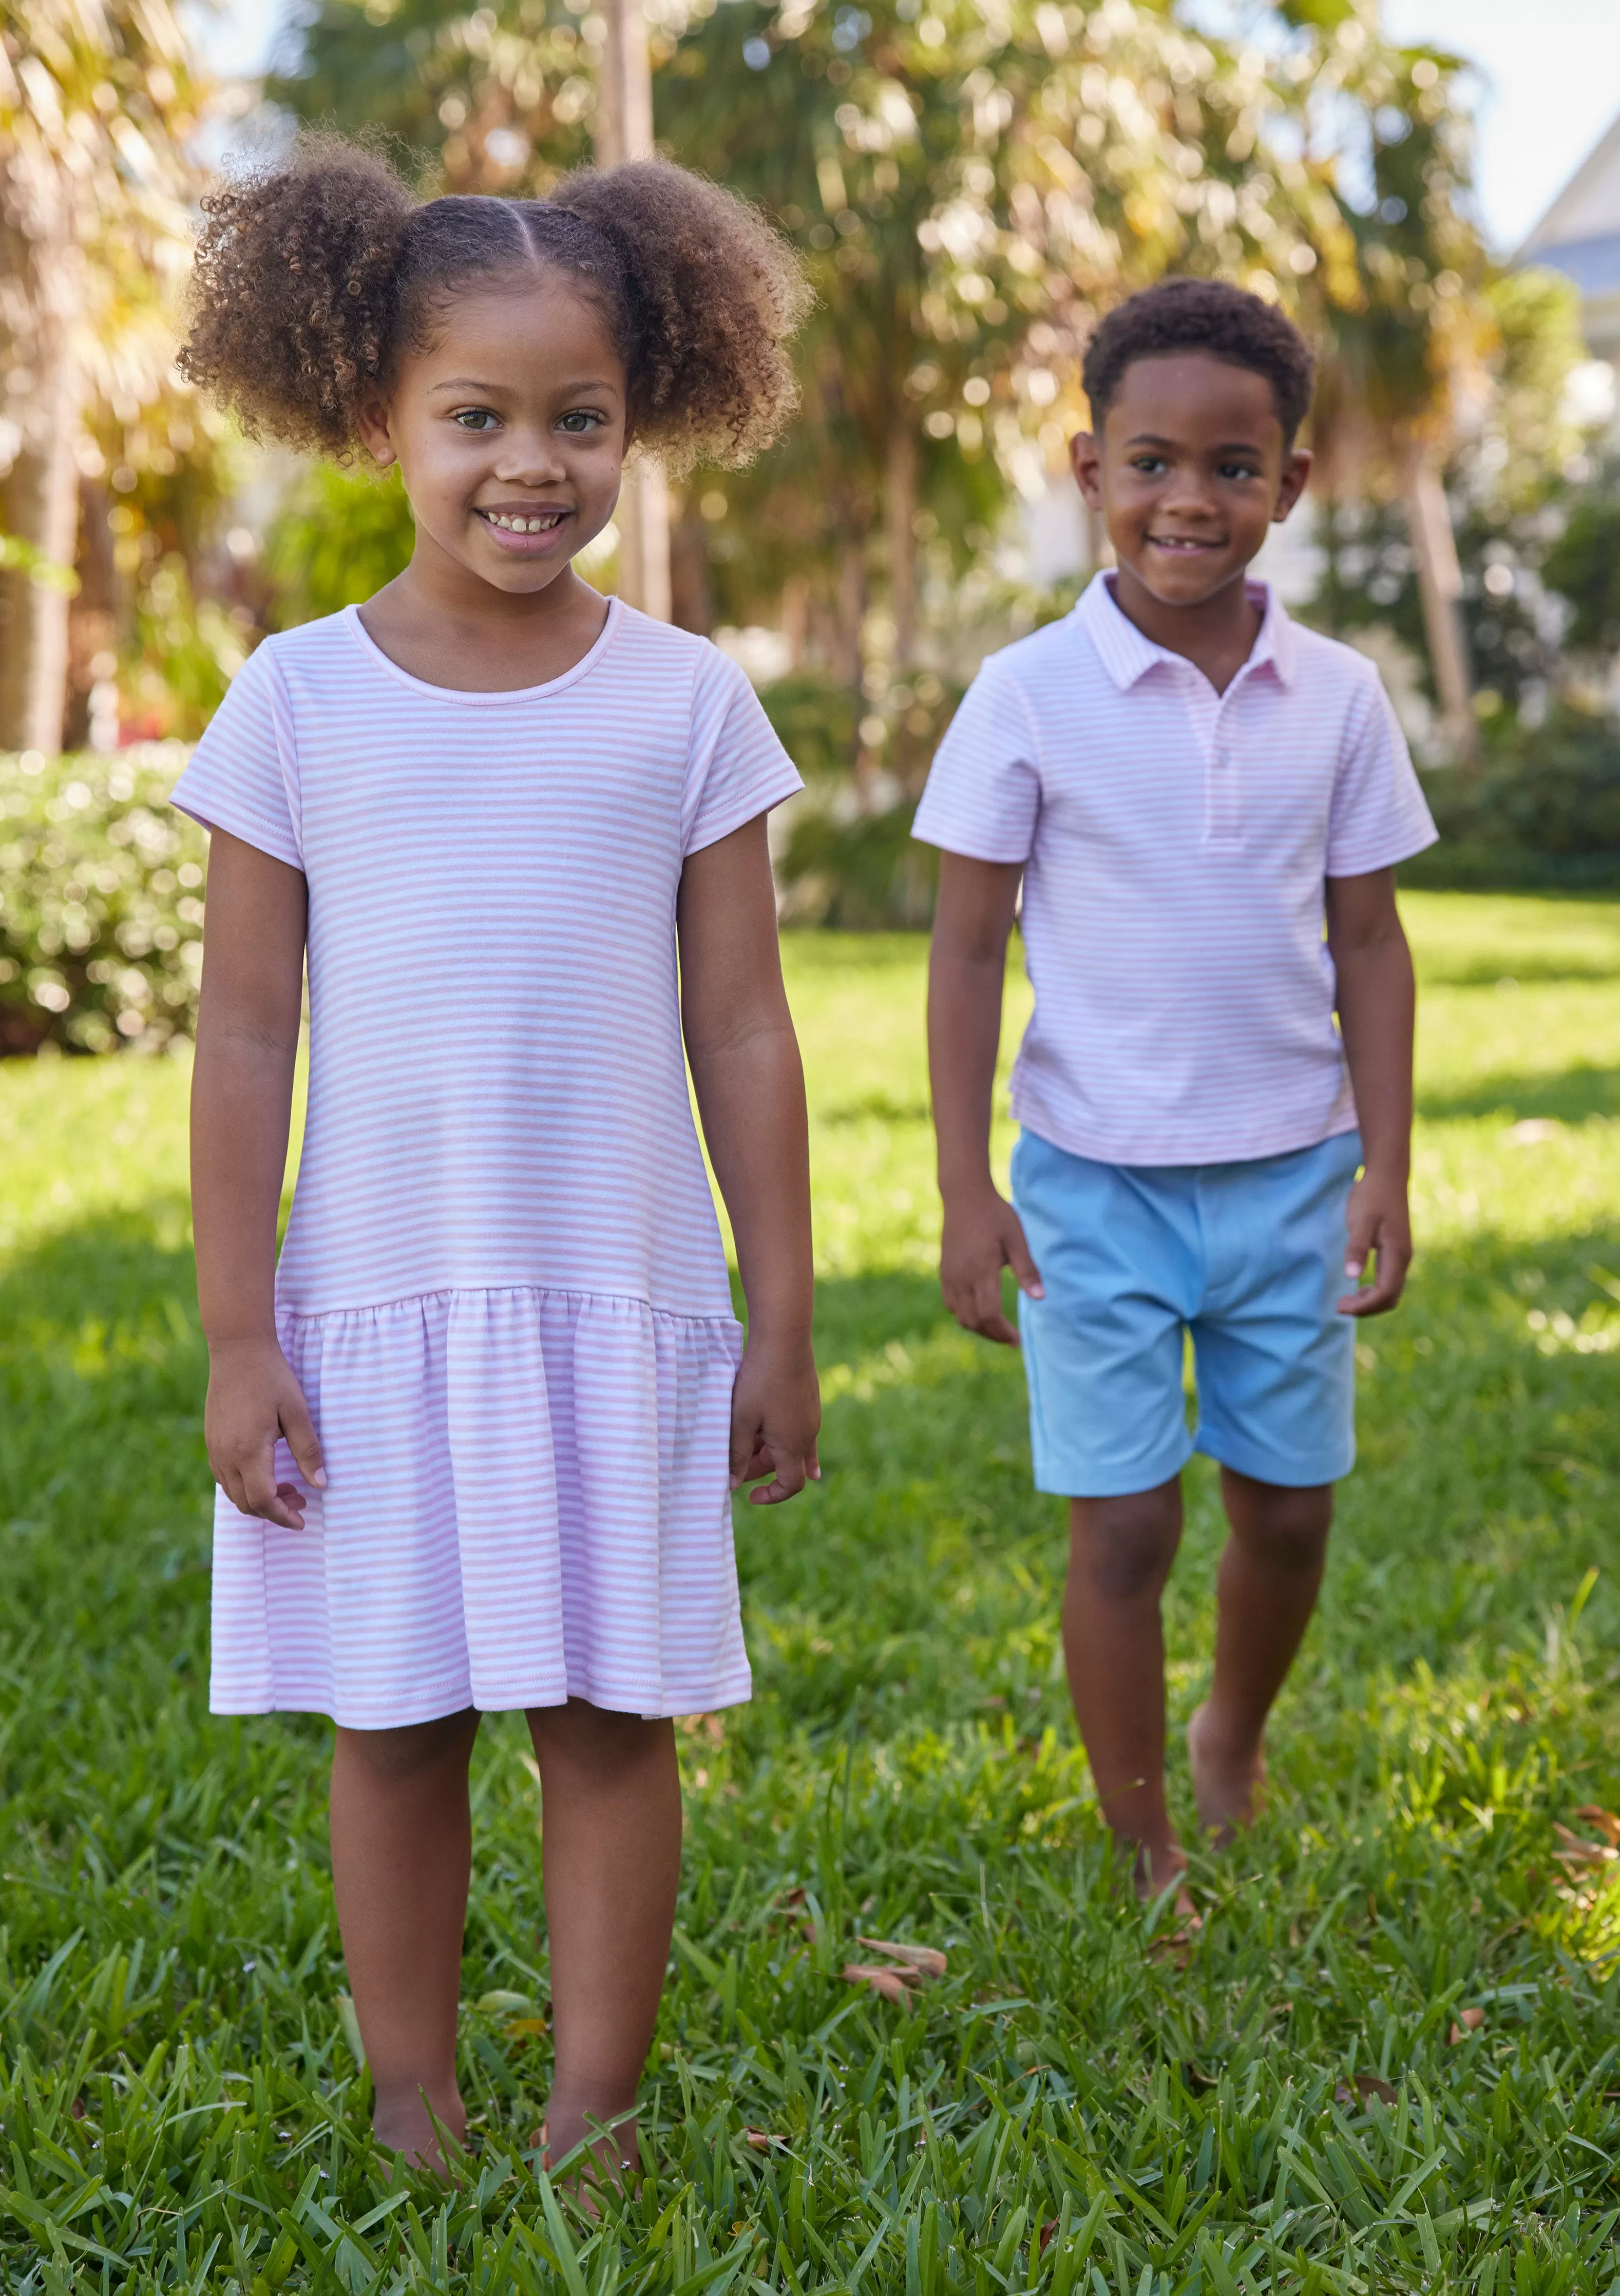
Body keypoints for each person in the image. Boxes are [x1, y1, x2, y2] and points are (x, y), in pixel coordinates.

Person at [172, 139, 821, 2177]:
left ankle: (596, 2103)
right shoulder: (294, 700)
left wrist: (781, 1306)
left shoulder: (689, 702)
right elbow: (246, 1027)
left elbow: (743, 1022)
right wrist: (231, 1326)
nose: (527, 463)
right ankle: (413, 2092)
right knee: (398, 1711)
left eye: (579, 419)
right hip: (374, 1300)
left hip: (614, 1294)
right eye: (477, 416)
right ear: (377, 415)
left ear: (644, 422)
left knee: (614, 1710)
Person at [916, 278, 1436, 1913]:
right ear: (1088, 468)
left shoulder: (1340, 697)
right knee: (1123, 1528)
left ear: (1292, 481)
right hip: (1092, 1184)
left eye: (1232, 466)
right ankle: (1144, 1845)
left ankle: (1234, 1734)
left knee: (1289, 1513)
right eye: (1152, 461)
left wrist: (1389, 1167)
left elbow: (1371, 942)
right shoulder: (1026, 693)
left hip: (1297, 1171)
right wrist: (964, 1188)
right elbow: (964, 954)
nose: (1188, 500)